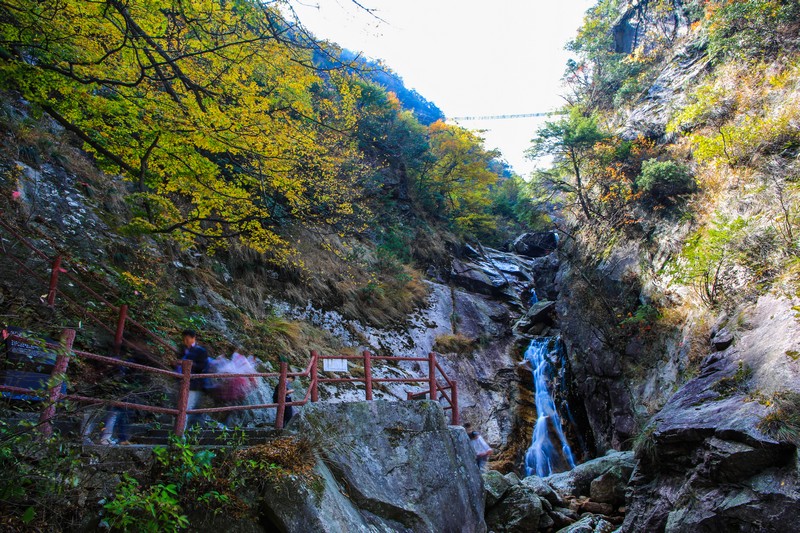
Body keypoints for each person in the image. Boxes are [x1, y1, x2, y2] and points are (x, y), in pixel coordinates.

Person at [178, 329, 209, 428]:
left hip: (195, 384)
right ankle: (185, 430)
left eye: (187, 339)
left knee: (187, 407)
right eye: (184, 339)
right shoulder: (182, 349)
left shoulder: (200, 351)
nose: (185, 341)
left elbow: (203, 366)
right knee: (185, 407)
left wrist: (188, 364)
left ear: (193, 338)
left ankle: (181, 433)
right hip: (183, 382)